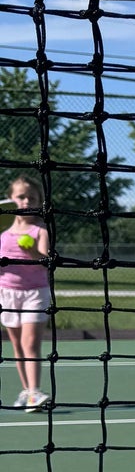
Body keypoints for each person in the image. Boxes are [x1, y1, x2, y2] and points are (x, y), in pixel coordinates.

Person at [1, 175, 53, 412]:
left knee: (30, 342)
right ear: (10, 199)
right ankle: (26, 391)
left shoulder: (40, 230)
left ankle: (34, 392)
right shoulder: (2, 232)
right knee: (17, 347)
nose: (26, 202)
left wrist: (31, 251)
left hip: (36, 293)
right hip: (7, 294)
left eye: (32, 198)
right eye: (21, 197)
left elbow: (45, 262)